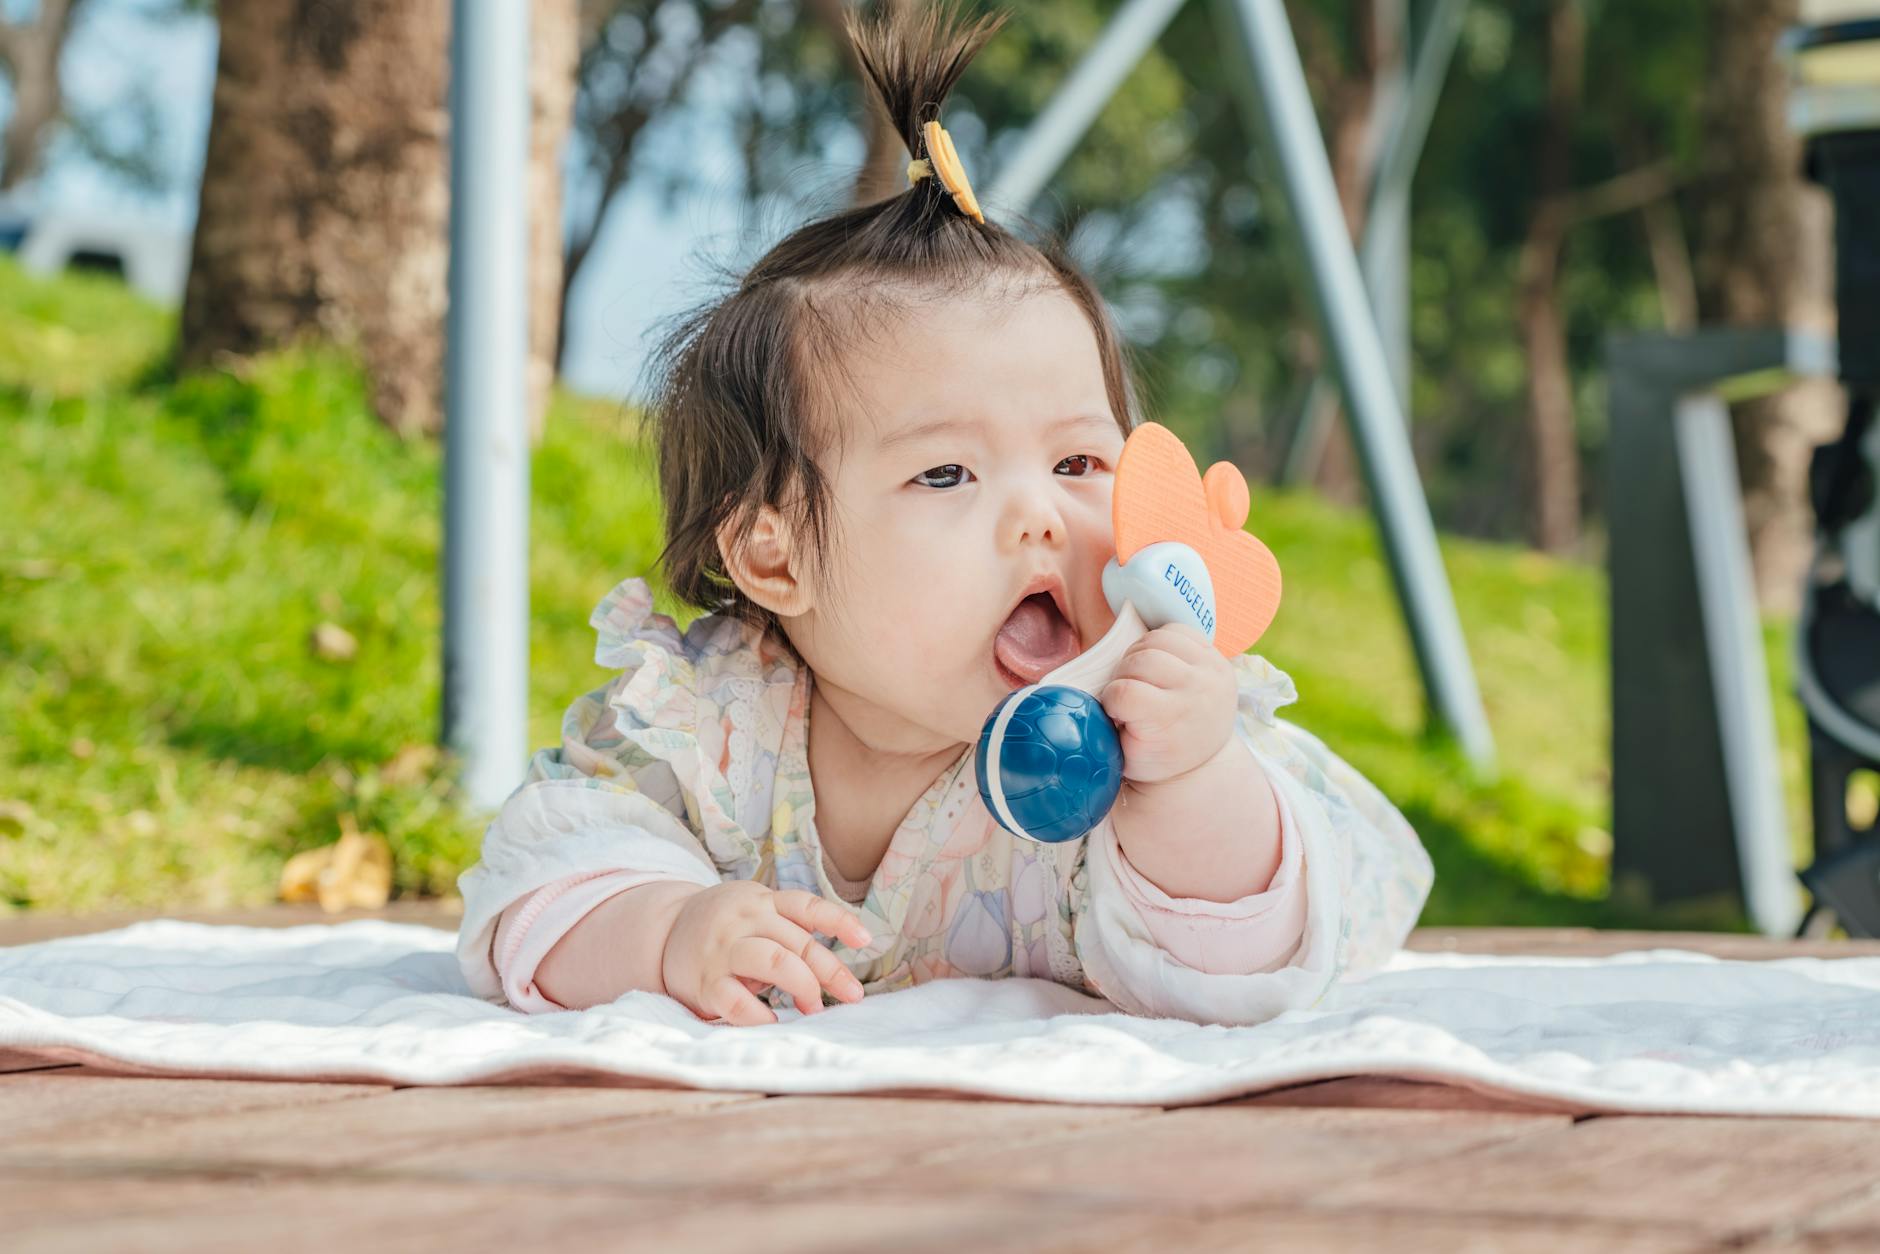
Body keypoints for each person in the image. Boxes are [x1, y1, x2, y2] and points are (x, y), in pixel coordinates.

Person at [457, 3, 1432, 1027]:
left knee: (1234, 829)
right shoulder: (711, 724)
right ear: (771, 554)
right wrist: (662, 931)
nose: (1040, 517)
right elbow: (537, 881)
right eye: (946, 476)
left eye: (1075, 460)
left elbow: (1238, 967)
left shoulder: (1146, 727)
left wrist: (1187, 786)